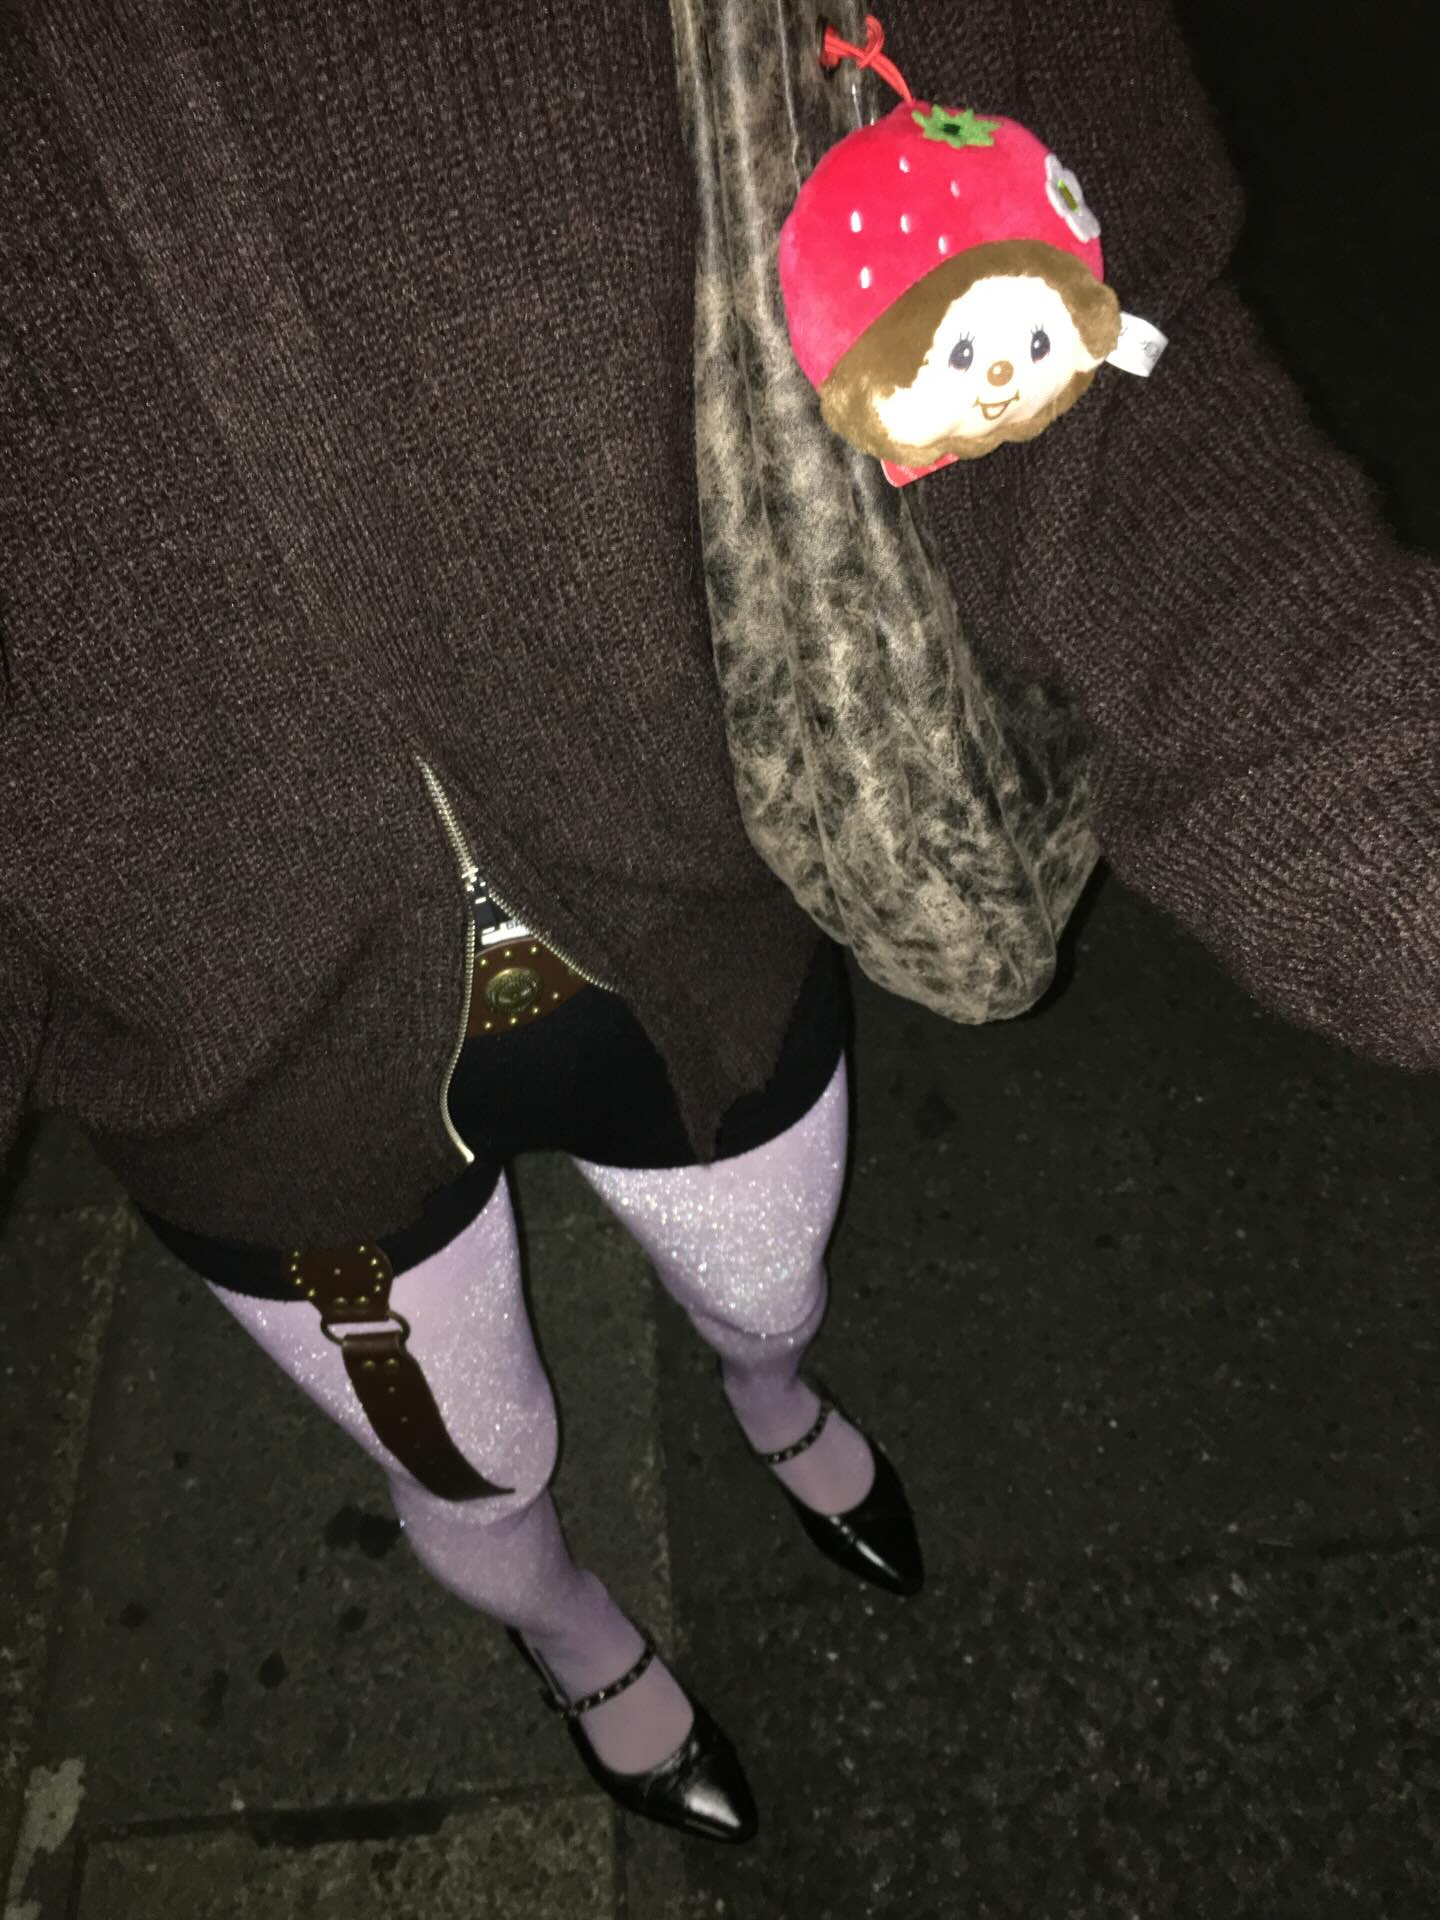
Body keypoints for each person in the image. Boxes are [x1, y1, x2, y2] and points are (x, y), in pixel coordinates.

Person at [3, 0, 1436, 1851]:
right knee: (481, 1462)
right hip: (247, 1072)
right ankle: (568, 1632)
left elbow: (1078, 353)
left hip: (698, 910)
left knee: (772, 1291)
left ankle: (773, 1395)